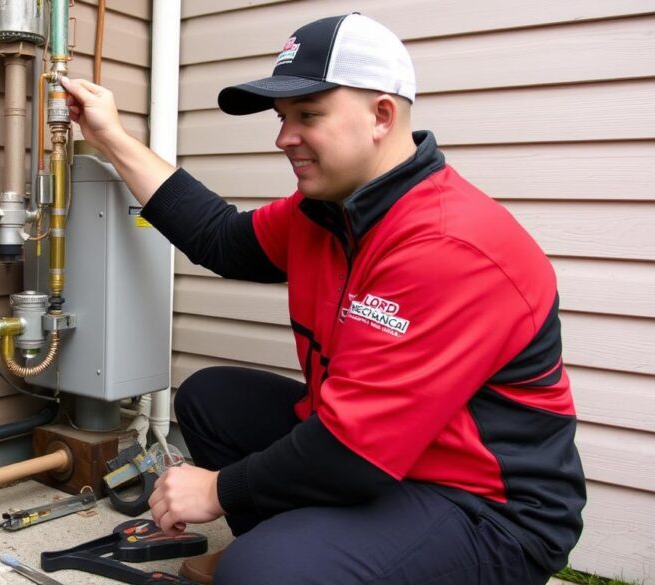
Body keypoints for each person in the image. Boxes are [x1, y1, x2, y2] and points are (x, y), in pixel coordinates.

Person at [60, 12, 585, 585]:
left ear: (382, 114)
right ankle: (312, 547)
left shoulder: (446, 245)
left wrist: (217, 490)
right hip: (388, 461)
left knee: (262, 572)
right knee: (212, 399)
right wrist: (110, 135)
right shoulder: (329, 211)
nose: (284, 137)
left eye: (308, 115)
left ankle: (291, 559)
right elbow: (221, 239)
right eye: (284, 117)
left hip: (488, 509)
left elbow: (352, 452)